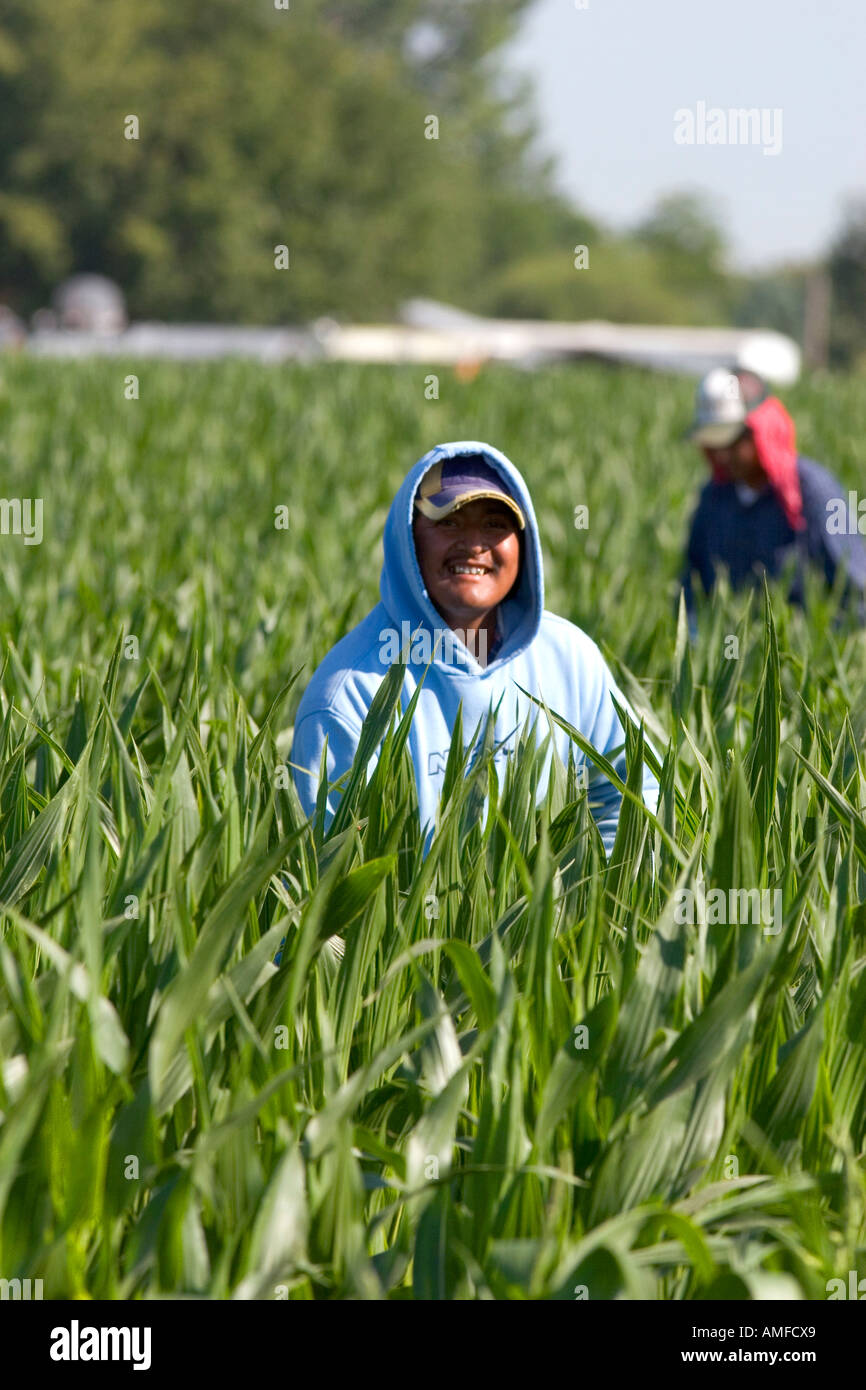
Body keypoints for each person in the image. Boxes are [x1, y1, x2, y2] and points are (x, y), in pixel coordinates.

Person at [290, 440, 659, 854]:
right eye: (448, 522)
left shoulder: (570, 659)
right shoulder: (351, 695)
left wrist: (582, 896)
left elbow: (633, 795)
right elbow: (330, 876)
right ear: (408, 537)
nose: (475, 544)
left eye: (495, 524)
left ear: (522, 542)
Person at [681, 367, 866, 626]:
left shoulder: (815, 494)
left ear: (760, 433)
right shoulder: (714, 498)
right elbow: (692, 580)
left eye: (731, 443)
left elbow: (857, 593)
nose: (721, 455)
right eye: (714, 445)